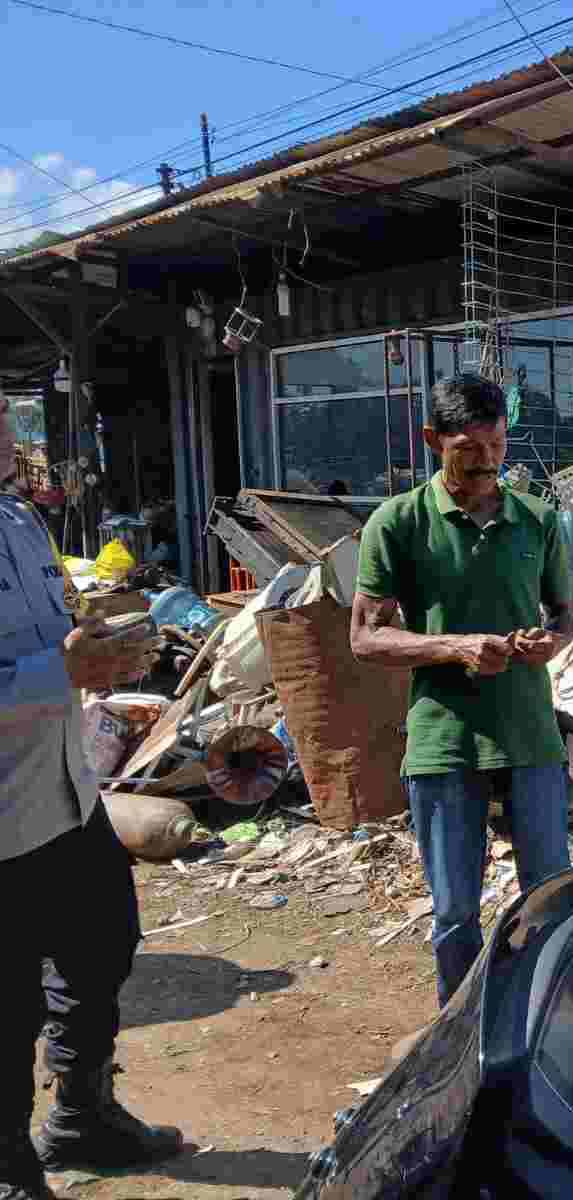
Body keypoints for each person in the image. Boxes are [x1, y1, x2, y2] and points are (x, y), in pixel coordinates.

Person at [0, 395, 184, 1200]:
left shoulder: (18, 521)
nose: (6, 435)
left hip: (65, 792)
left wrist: (101, 647)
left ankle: (81, 1113)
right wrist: (61, 670)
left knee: (103, 942)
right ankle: (8, 1163)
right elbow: (46, 667)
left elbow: (52, 638)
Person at [350, 373, 573, 1031]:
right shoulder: (398, 523)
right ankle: (462, 1033)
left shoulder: (536, 519)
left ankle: (546, 1024)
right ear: (432, 441)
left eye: (497, 446)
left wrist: (549, 643)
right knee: (454, 911)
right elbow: (365, 637)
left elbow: (566, 617)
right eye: (468, 450)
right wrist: (455, 648)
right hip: (444, 740)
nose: (486, 463)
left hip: (530, 734)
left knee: (549, 899)